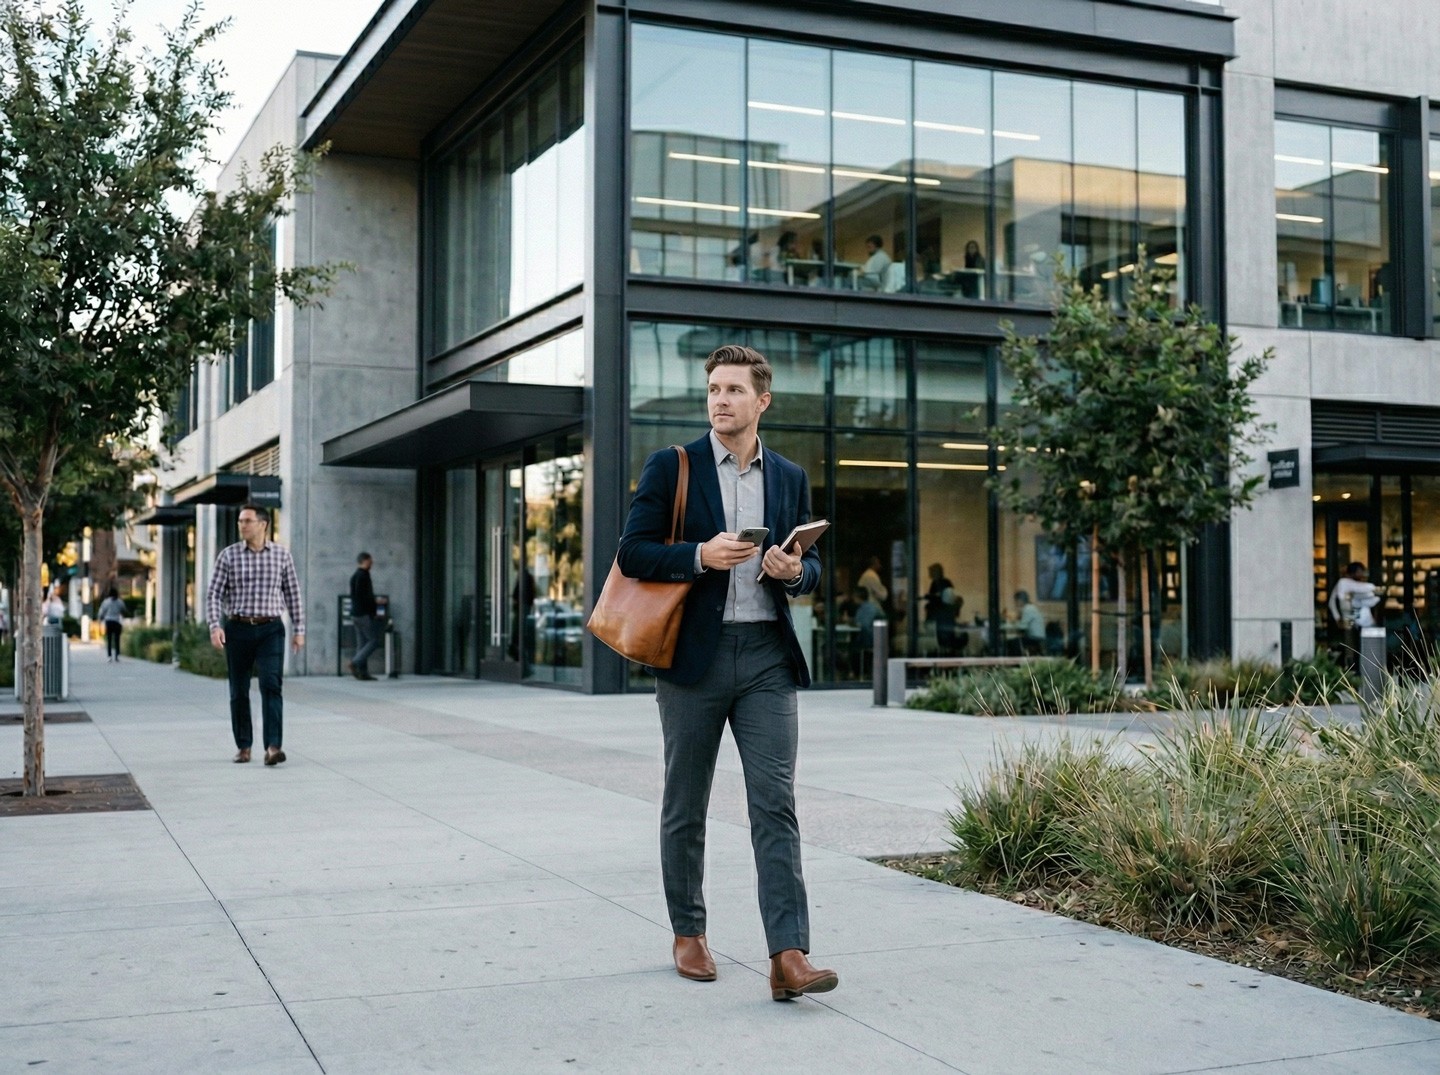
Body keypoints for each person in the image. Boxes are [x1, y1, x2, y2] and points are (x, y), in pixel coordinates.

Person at [616, 343, 838, 1002]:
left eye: (734, 389)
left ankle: (788, 953)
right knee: (686, 801)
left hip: (767, 654)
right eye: (714, 388)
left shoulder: (789, 475)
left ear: (762, 400)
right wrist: (698, 555)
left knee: (777, 805)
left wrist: (798, 571)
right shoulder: (674, 466)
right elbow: (632, 552)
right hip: (694, 659)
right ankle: (689, 931)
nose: (720, 399)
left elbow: (814, 563)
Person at [207, 503, 305, 766]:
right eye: (240, 521)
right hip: (237, 629)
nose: (242, 525)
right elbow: (214, 593)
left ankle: (273, 747)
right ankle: (244, 746)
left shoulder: (282, 556)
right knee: (239, 690)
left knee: (271, 685)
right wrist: (215, 626)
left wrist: (299, 630)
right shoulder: (228, 556)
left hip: (271, 629)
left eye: (247, 521)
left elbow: (293, 593)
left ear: (263, 524)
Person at [349, 552, 380, 680]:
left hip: (355, 613)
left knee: (362, 644)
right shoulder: (363, 576)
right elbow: (364, 596)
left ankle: (362, 673)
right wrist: (375, 602)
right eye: (370, 560)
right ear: (365, 561)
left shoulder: (355, 575)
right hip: (363, 614)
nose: (372, 563)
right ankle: (355, 662)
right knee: (373, 641)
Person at [924, 563, 963, 656]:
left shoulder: (944, 583)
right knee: (941, 639)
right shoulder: (936, 583)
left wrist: (931, 598)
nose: (929, 573)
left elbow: (945, 599)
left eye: (931, 571)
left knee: (945, 639)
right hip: (941, 616)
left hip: (944, 615)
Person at [1329, 561, 1380, 629]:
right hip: (1350, 620)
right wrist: (1337, 618)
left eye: (1362, 572)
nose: (1362, 574)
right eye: (1360, 572)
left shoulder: (1363, 586)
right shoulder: (1343, 583)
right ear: (1352, 573)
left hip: (1362, 621)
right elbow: (1332, 602)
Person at [98, 586, 126, 663]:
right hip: (117, 621)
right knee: (117, 639)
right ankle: (117, 655)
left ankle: (109, 656)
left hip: (109, 621)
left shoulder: (106, 602)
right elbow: (124, 610)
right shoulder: (120, 602)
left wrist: (100, 619)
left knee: (109, 639)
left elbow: (102, 611)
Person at [1014, 590, 1045, 655]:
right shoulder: (1031, 607)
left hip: (1035, 637)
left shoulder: (1027, 609)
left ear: (1020, 600)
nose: (1016, 604)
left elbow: (1022, 627)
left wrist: (1014, 623)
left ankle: (1017, 662)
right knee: (1017, 640)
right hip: (1039, 637)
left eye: (1016, 601)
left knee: (1014, 642)